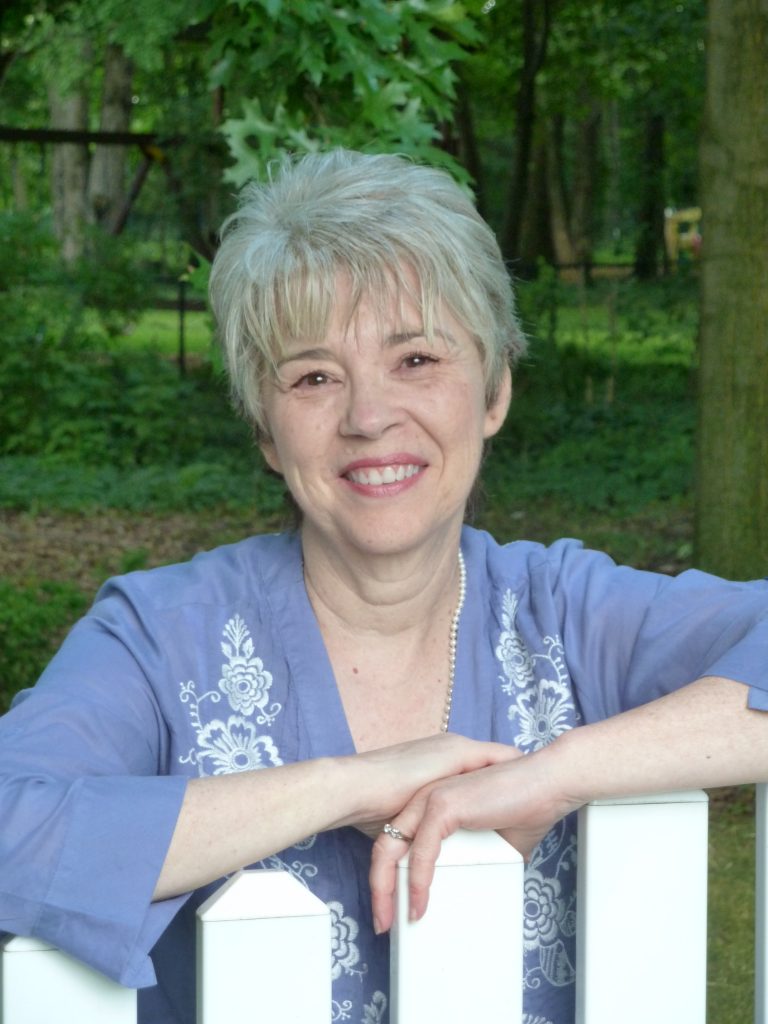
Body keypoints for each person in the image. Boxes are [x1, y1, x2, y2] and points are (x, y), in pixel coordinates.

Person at [1, 149, 767, 1024]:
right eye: (314, 376)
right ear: (264, 428)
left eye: (415, 360)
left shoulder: (566, 614)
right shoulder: (156, 637)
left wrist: (561, 772)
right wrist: (351, 786)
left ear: (495, 391)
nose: (368, 417)